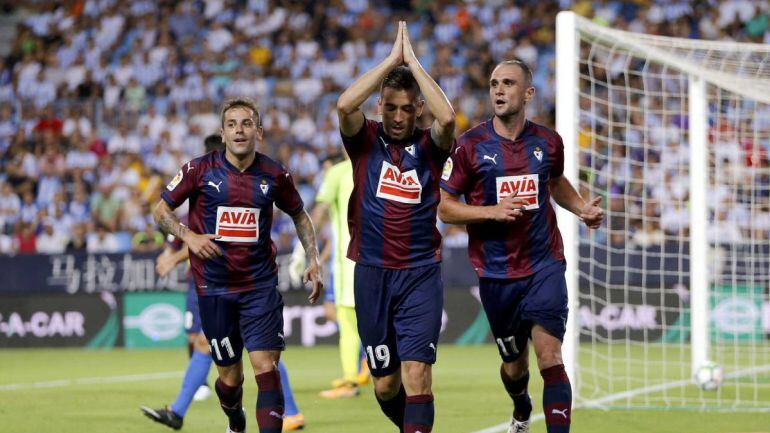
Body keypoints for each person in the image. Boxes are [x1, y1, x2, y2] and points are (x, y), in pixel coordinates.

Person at [438, 60, 604, 433]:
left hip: (544, 263)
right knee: (515, 367)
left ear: (528, 93)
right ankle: (521, 404)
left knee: (550, 355)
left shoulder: (548, 142)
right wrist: (491, 212)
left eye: (508, 83)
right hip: (497, 274)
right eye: (494, 82)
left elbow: (556, 182)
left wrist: (581, 209)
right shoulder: (469, 146)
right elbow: (444, 207)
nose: (498, 89)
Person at [153, 98, 322, 433]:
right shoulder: (198, 170)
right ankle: (235, 417)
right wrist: (190, 238)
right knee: (229, 381)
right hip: (214, 290)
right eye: (232, 124)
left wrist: (313, 258)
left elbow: (300, 215)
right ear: (223, 132)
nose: (239, 130)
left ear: (257, 131)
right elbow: (160, 211)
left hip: (259, 287)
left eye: (246, 123)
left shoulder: (275, 174)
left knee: (266, 367)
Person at [336, 21, 455, 433]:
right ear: (381, 106)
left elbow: (448, 118)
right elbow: (345, 105)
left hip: (420, 273)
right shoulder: (365, 140)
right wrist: (390, 61)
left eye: (407, 107)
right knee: (385, 385)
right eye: (391, 107)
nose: (399, 116)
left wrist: (414, 63)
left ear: (418, 108)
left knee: (417, 373)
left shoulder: (431, 146)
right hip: (371, 273)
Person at [310, 153, 371, 399]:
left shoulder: (339, 172)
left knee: (347, 324)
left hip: (350, 261)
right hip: (383, 259)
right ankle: (384, 371)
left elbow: (318, 211)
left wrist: (303, 247)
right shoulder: (383, 165)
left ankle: (350, 381)